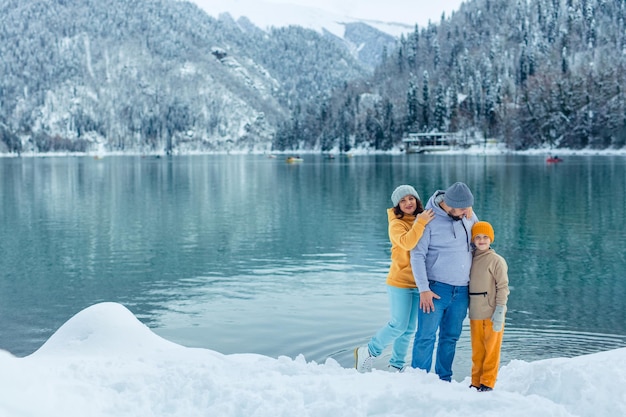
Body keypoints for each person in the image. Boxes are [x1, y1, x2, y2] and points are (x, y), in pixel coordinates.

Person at [354, 185, 434, 372]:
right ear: (397, 205)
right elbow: (408, 242)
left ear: (417, 200)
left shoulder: (422, 218)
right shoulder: (396, 224)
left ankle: (396, 365)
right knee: (398, 325)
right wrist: (420, 223)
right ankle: (369, 351)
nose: (408, 203)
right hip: (400, 283)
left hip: (420, 284)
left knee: (409, 329)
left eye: (411, 199)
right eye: (403, 201)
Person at [409, 182, 478, 381]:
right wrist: (423, 289)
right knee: (425, 337)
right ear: (450, 204)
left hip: (462, 291)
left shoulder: (467, 214)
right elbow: (417, 256)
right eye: (463, 208)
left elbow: (481, 237)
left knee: (450, 337)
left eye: (468, 207)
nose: (467, 212)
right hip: (436, 290)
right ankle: (418, 380)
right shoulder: (428, 219)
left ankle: (444, 380)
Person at [468, 221, 509, 392]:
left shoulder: (496, 260)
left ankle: (487, 382)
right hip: (476, 313)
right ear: (473, 239)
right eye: (478, 237)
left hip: (493, 313)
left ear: (491, 239)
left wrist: (500, 310)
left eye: (485, 237)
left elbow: (503, 286)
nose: (482, 240)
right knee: (477, 351)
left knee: (491, 350)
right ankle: (476, 381)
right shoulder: (471, 259)